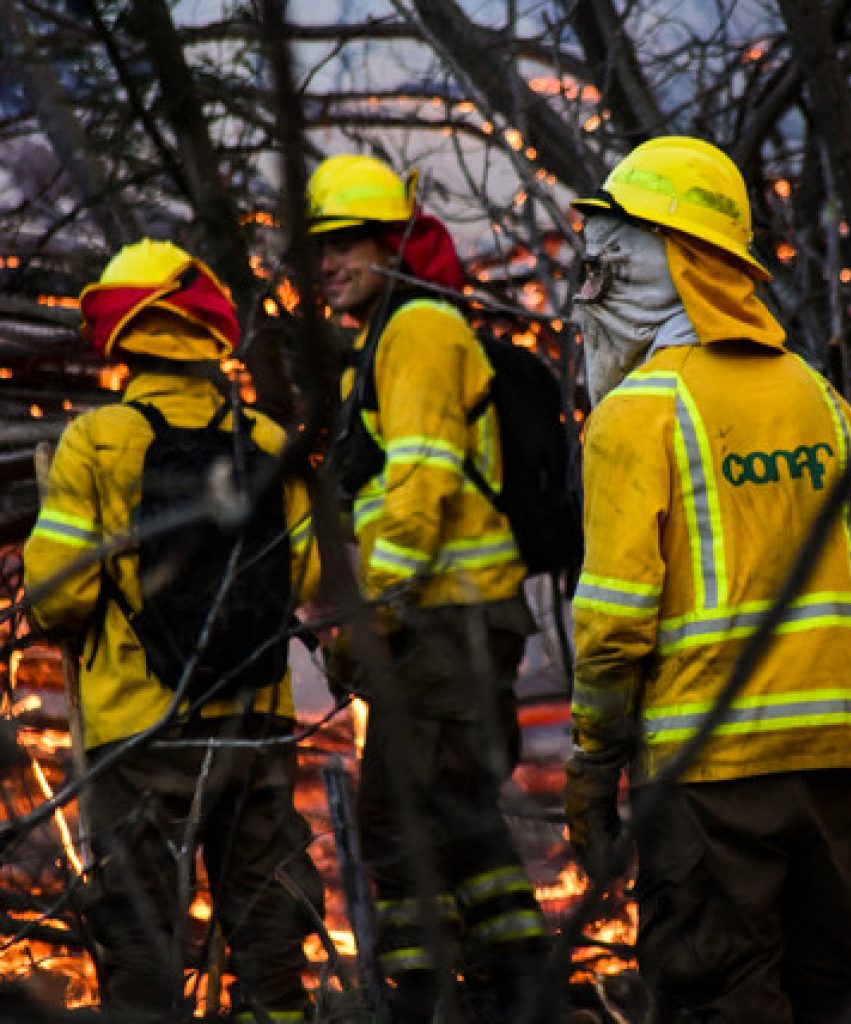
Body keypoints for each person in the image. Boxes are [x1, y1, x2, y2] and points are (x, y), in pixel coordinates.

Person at [564, 136, 851, 1022]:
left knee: (723, 998)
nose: (591, 281)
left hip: (710, 778)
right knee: (846, 996)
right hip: (837, 769)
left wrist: (594, 768)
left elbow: (611, 625)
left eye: (609, 256)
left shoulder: (635, 417)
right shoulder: (821, 398)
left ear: (667, 263)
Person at [23, 239, 323, 1022]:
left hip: (138, 733)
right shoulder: (264, 440)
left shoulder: (96, 441)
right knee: (266, 925)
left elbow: (57, 597)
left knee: (140, 931)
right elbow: (316, 576)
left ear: (122, 332)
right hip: (256, 725)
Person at [307, 153, 549, 1022]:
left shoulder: (415, 332)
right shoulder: (378, 344)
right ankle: (516, 978)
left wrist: (371, 616)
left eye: (347, 245)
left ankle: (421, 996)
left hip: (444, 619)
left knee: (397, 813)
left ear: (390, 247)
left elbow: (419, 481)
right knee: (453, 809)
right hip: (446, 617)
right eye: (320, 249)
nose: (328, 264)